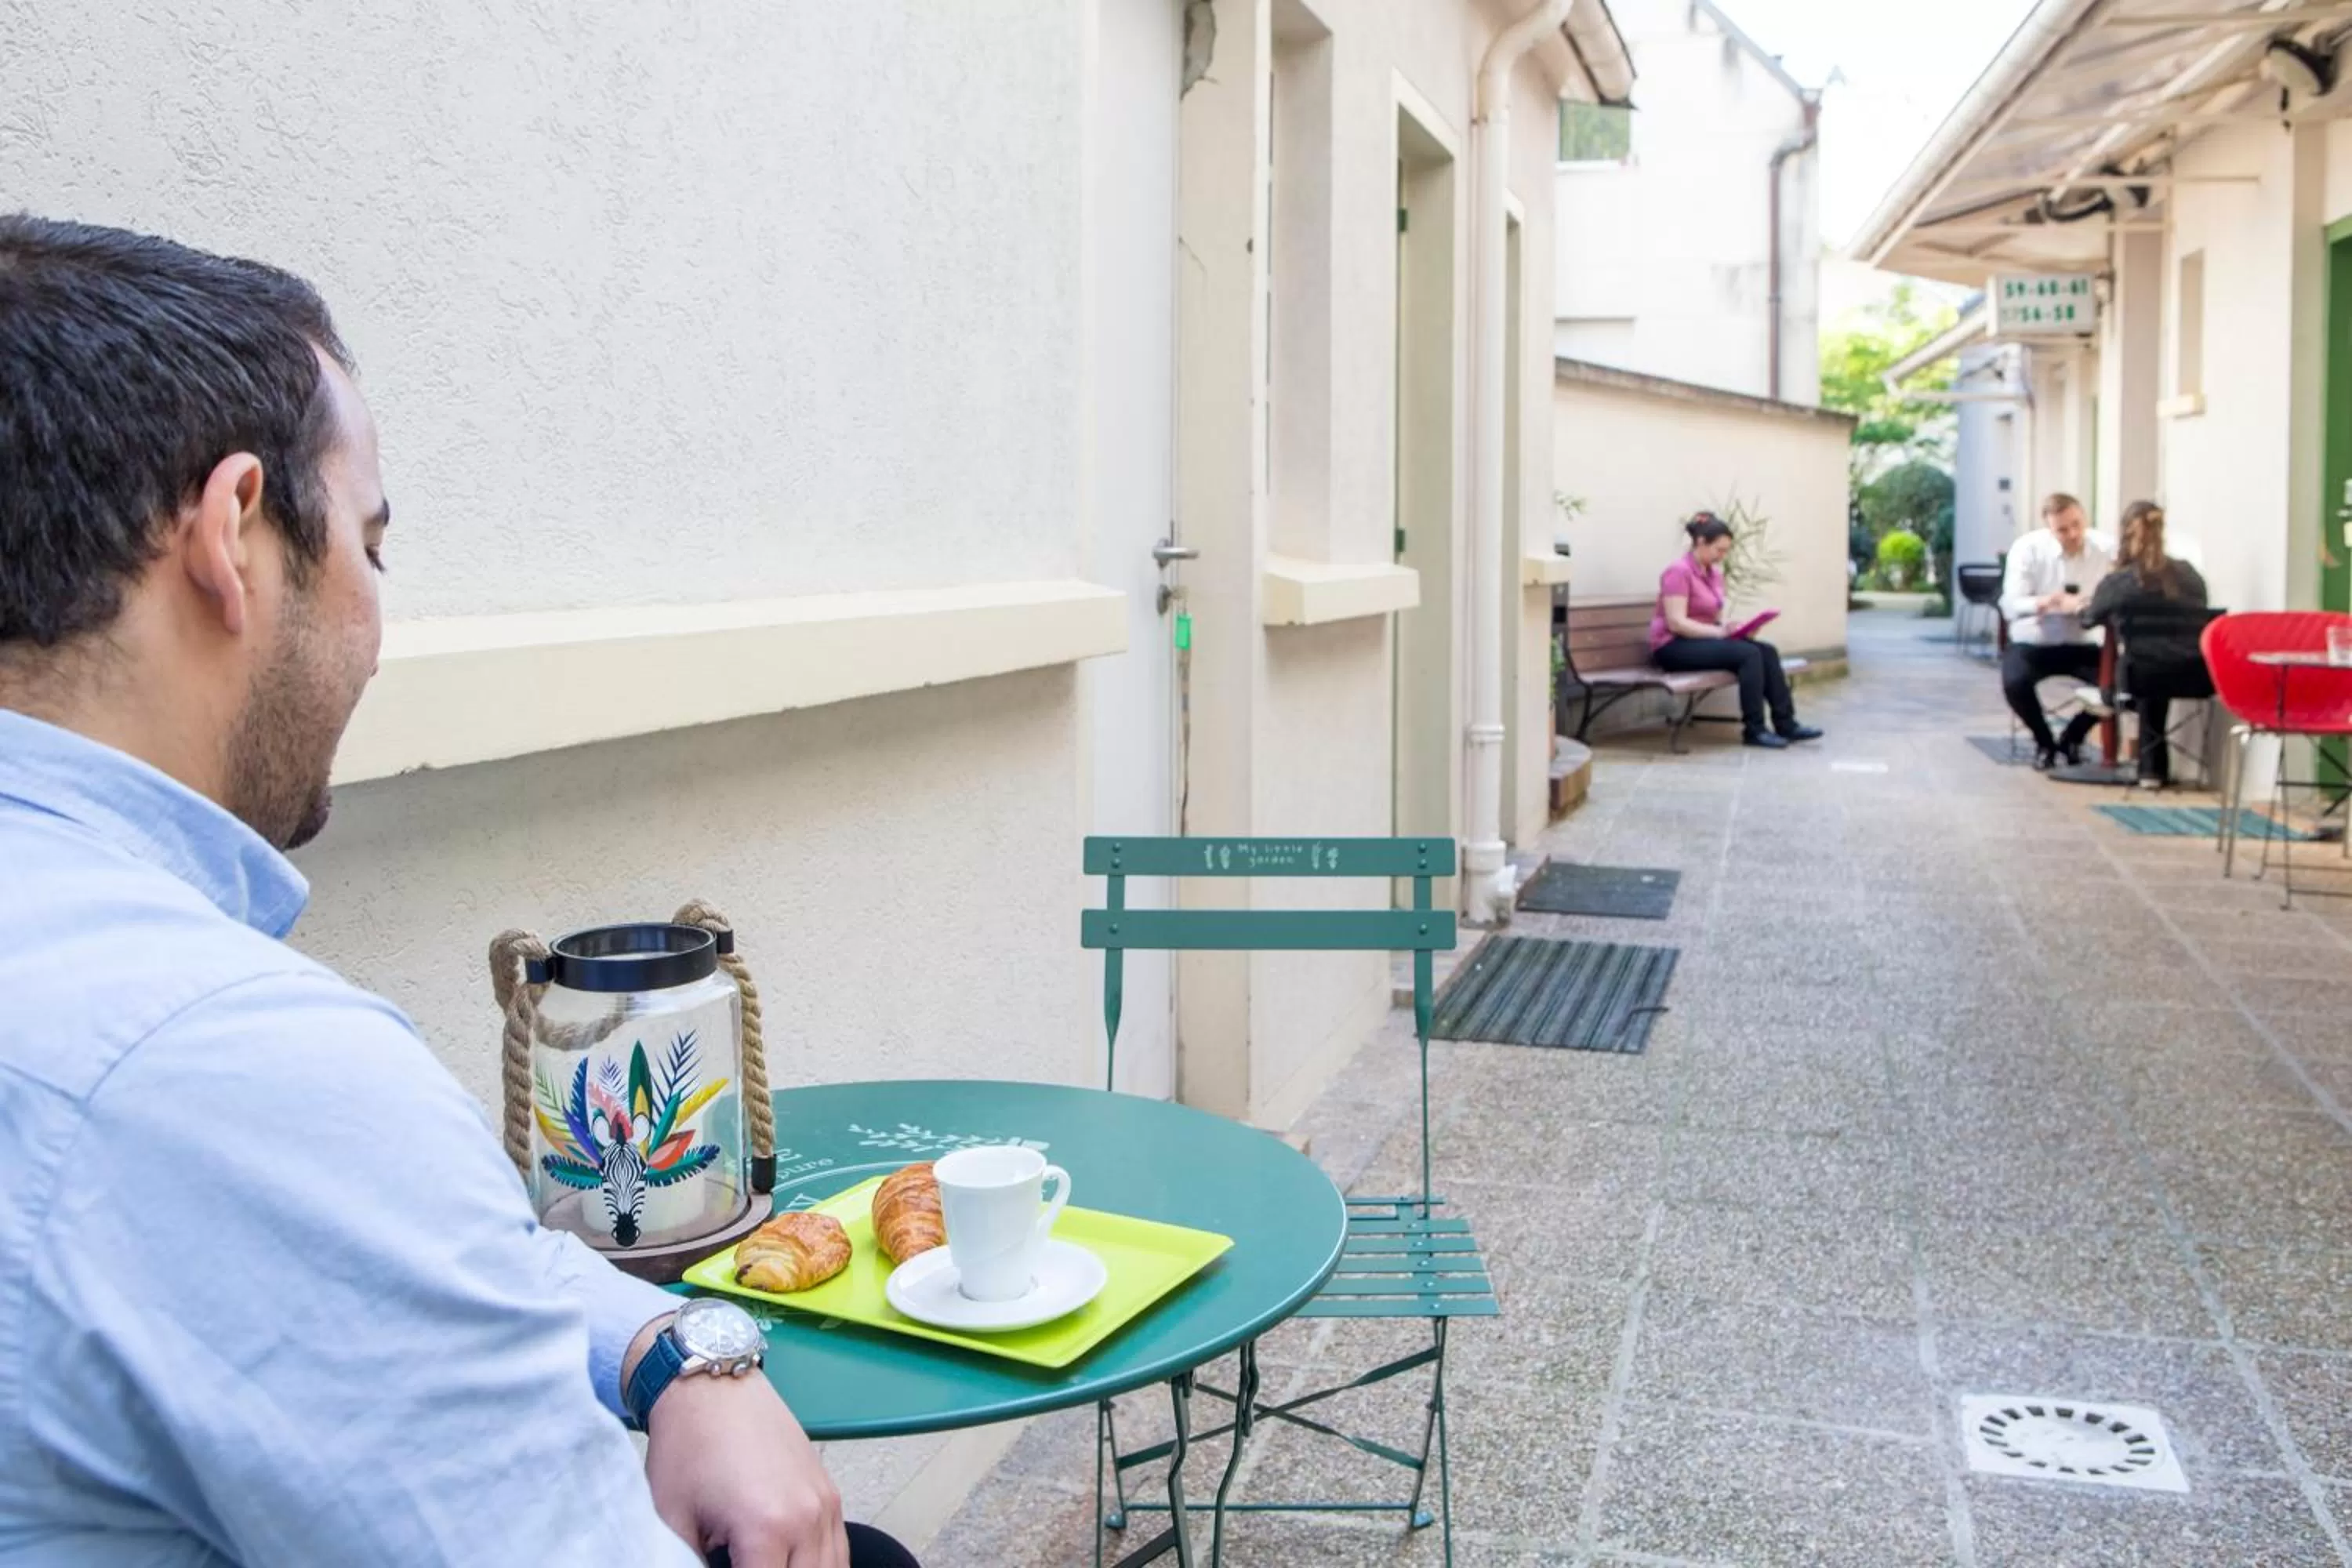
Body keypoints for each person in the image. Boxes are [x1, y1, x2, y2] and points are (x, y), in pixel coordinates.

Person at [0, 216, 920, 1567]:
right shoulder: (212, 1063)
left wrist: (675, 1348)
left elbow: (444, 1259)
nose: (379, 626)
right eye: (371, 545)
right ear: (233, 533)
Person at [1650, 512, 1824, 750]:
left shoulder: (1714, 575)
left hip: (1700, 642)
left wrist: (1733, 629)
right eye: (1719, 550)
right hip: (1672, 647)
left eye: (1726, 551)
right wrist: (1720, 634)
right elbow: (1676, 622)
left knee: (1766, 651)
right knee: (1748, 654)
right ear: (1701, 542)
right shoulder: (1678, 572)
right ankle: (1754, 730)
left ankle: (1787, 724)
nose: (1723, 556)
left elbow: (1712, 620)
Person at [2080, 500, 2212, 789]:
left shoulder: (2120, 581)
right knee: (2155, 664)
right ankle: (2152, 769)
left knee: (2142, 667)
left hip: (2139, 675)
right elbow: (2203, 608)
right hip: (2197, 674)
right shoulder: (2188, 574)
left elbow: (2089, 619)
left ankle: (2147, 768)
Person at [1998, 492, 2115, 771]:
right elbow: (2010, 603)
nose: (2073, 534)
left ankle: (2073, 735)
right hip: (2035, 641)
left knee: (2123, 686)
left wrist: (2090, 604)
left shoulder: (2106, 548)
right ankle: (2044, 743)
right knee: (2015, 683)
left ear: (2084, 517)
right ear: (2050, 530)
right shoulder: (2028, 548)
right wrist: (2045, 602)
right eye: (2063, 529)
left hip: (2085, 641)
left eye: (2077, 524)